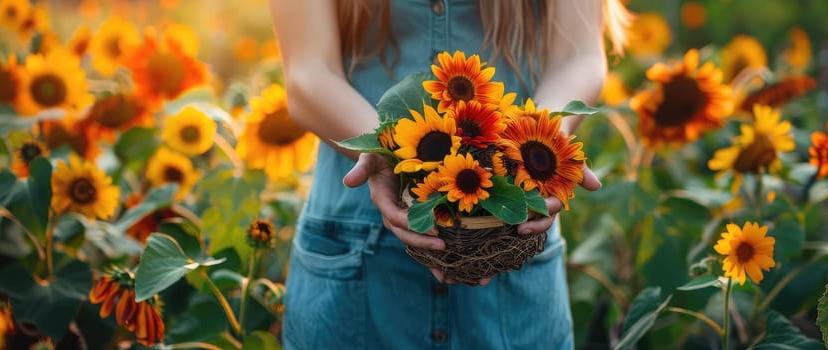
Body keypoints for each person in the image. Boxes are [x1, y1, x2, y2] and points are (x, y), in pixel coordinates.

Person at [269, 1, 629, 348]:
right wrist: (389, 154)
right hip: (357, 257)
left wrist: (539, 146)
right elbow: (307, 73)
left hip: (515, 234)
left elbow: (577, 56)